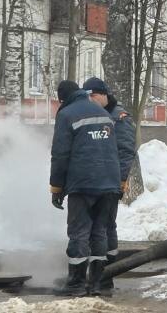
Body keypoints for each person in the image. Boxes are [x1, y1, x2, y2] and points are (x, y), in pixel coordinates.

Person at [50, 80, 121, 296]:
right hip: (109, 182)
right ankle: (97, 283)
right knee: (99, 232)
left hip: (83, 184)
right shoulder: (102, 112)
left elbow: (60, 155)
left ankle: (76, 285)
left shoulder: (67, 114)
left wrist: (56, 188)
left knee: (79, 232)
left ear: (63, 99)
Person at [82, 77, 137, 293]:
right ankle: (99, 275)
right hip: (96, 181)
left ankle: (106, 276)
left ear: (104, 94)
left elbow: (125, 152)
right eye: (88, 97)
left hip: (111, 182)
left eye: (94, 96)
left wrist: (120, 181)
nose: (91, 100)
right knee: (98, 228)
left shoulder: (119, 117)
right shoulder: (96, 114)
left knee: (106, 227)